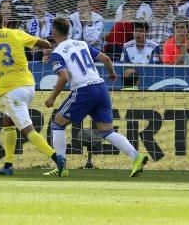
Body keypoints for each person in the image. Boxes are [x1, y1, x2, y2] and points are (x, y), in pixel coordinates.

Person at [43, 16, 150, 178]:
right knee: (107, 131)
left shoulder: (57, 53)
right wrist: (112, 74)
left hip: (84, 90)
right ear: (69, 30)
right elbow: (106, 59)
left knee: (58, 124)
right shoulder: (82, 44)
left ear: (53, 32)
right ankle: (137, 156)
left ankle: (61, 167)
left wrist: (52, 98)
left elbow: (63, 77)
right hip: (101, 88)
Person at [0, 10, 64, 176]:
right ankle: (8, 164)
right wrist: (50, 46)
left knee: (27, 129)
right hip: (28, 85)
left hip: (11, 90)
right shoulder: (16, 33)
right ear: (4, 22)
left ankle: (56, 157)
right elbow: (45, 44)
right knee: (7, 122)